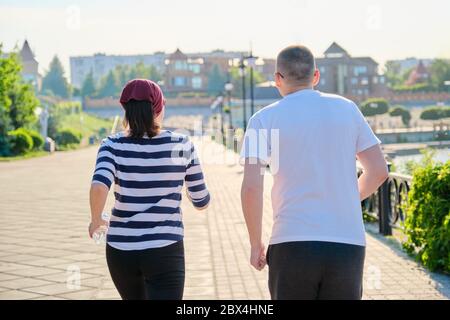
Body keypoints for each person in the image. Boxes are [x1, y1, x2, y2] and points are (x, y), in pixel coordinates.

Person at [240, 45, 388, 300]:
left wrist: (256, 244)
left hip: (291, 242)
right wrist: (349, 199)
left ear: (277, 78)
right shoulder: (347, 109)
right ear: (316, 76)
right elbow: (378, 171)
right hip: (346, 241)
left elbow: (252, 186)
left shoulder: (262, 119)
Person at [88, 79, 210, 300]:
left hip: (121, 249)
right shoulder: (181, 144)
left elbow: (99, 185)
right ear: (159, 108)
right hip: (164, 248)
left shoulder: (111, 145)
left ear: (125, 109)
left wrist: (96, 219)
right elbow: (201, 200)